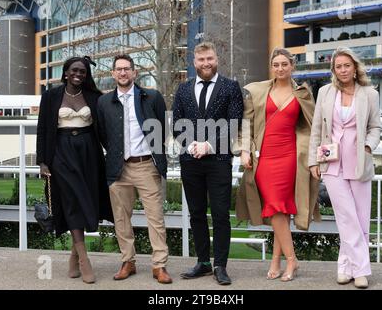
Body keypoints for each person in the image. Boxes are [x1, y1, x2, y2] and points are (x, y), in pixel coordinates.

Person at [235, 48, 320, 282]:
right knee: (275, 209)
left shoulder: (303, 93)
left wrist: (315, 158)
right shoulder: (259, 91)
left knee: (279, 209)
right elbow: (246, 122)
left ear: (292, 66)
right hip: (264, 157)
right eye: (276, 64)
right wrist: (244, 149)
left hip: (290, 156)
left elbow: (314, 126)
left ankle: (282, 261)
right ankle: (290, 259)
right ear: (271, 67)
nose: (280, 68)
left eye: (285, 64)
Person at [308, 47, 382, 289]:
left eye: (346, 65)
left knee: (360, 219)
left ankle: (344, 267)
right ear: (334, 70)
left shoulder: (369, 94)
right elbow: (317, 129)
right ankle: (361, 271)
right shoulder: (325, 92)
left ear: (354, 67)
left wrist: (369, 147)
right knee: (346, 216)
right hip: (331, 163)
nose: (342, 70)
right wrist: (312, 161)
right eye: (338, 66)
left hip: (359, 161)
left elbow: (375, 128)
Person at [36, 56, 113, 284]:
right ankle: (84, 259)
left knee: (86, 202)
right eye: (74, 71)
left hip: (89, 153)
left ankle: (74, 257)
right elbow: (42, 129)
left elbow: (105, 129)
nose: (78, 74)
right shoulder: (51, 96)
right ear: (66, 73)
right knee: (70, 201)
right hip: (61, 153)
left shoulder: (94, 97)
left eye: (83, 71)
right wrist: (42, 161)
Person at [97, 54, 172, 284]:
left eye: (127, 69)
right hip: (118, 168)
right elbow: (102, 133)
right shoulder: (104, 102)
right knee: (121, 218)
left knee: (155, 218)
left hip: (146, 166)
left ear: (134, 72)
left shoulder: (152, 97)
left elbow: (163, 129)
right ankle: (128, 261)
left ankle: (159, 266)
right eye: (118, 69)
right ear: (113, 74)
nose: (122, 73)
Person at [173, 42, 243, 285]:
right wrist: (192, 144)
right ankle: (203, 262)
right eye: (201, 60)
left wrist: (209, 145)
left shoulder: (231, 87)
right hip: (190, 160)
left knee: (221, 213)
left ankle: (220, 265)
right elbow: (177, 124)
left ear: (217, 59)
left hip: (219, 160)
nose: (206, 63)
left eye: (210, 59)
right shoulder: (183, 89)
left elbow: (234, 123)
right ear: (194, 62)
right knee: (196, 213)